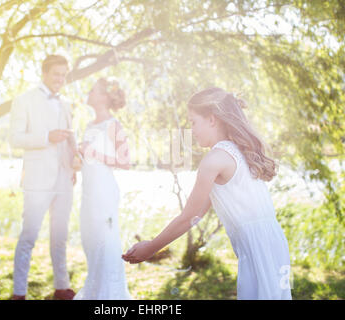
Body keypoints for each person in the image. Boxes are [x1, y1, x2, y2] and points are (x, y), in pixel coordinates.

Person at [122, 87, 292, 300]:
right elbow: (196, 215)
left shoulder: (215, 159)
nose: (191, 130)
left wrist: (151, 247)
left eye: (193, 122)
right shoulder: (236, 151)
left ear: (212, 120)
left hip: (258, 247)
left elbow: (187, 218)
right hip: (272, 242)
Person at [8, 55, 77, 300]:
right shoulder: (24, 100)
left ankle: (62, 287)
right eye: (57, 74)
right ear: (44, 73)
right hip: (37, 180)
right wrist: (47, 136)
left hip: (64, 178)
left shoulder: (67, 102)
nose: (61, 79)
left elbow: (71, 137)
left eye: (64, 75)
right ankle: (19, 293)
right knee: (29, 236)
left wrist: (74, 160)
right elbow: (15, 139)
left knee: (60, 235)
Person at [74, 78, 132, 300]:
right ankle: (95, 292)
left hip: (104, 192)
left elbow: (125, 161)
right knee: (90, 241)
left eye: (93, 90)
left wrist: (93, 153)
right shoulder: (89, 125)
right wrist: (77, 157)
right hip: (88, 192)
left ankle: (110, 297)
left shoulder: (113, 125)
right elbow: (88, 161)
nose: (88, 93)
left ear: (104, 97)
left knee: (105, 242)